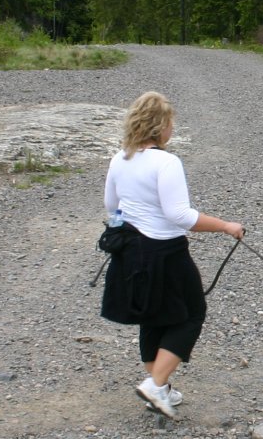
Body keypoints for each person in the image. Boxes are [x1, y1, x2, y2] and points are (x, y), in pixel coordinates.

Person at [101, 91, 243, 419]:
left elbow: (112, 207)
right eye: (170, 123)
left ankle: (161, 390)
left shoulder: (120, 159)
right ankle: (155, 385)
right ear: (160, 125)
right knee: (192, 313)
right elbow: (180, 216)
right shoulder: (167, 162)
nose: (172, 129)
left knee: (153, 316)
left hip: (129, 252)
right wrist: (226, 226)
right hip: (164, 252)